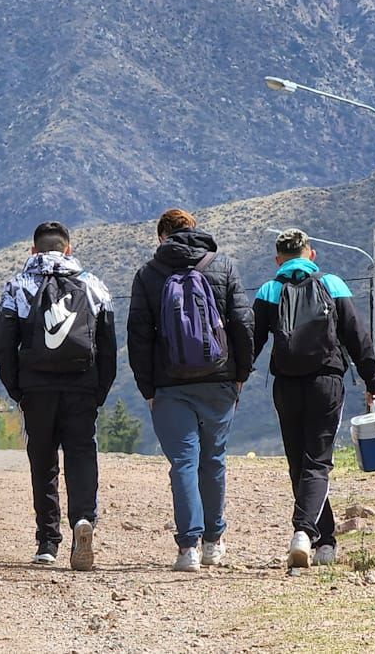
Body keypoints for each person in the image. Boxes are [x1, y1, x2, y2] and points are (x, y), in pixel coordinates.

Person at [127, 208, 254, 572]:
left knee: (183, 462)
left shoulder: (148, 274)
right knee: (212, 460)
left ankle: (188, 549)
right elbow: (243, 322)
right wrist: (241, 372)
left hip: (169, 385)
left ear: (161, 236)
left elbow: (137, 336)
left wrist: (146, 386)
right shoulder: (223, 265)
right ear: (195, 230)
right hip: (219, 378)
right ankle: (214, 542)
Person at [252, 228, 375, 568]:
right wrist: (373, 380)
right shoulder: (333, 284)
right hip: (326, 383)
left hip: (286, 387)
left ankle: (325, 542)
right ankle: (305, 533)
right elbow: (357, 337)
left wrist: (235, 379)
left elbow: (250, 342)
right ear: (311, 254)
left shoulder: (269, 289)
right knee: (318, 463)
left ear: (278, 259)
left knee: (300, 463)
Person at [0, 221, 117, 570]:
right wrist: (99, 389)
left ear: (32, 251)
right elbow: (107, 346)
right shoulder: (93, 285)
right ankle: (83, 520)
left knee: (43, 461)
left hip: (36, 388)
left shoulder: (18, 286)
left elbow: (2, 346)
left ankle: (47, 541)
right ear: (68, 249)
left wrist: (17, 387)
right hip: (82, 386)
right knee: (81, 454)